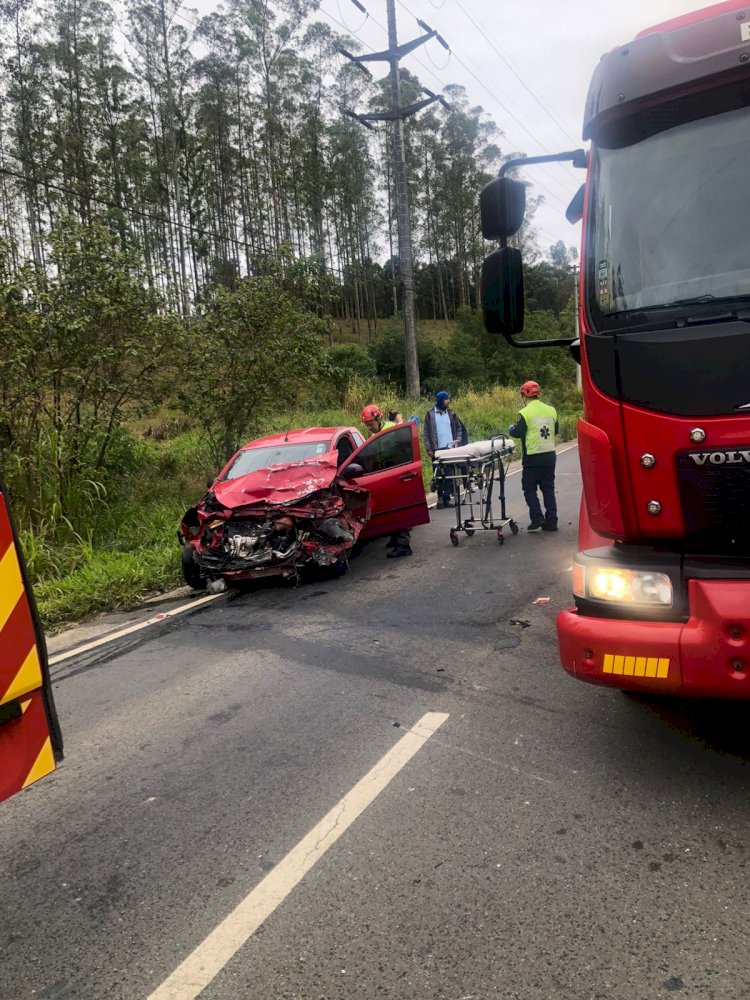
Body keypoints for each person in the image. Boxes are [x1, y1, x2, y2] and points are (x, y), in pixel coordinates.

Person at [359, 404, 412, 558]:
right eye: (367, 425)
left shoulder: (391, 429)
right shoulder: (373, 437)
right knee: (390, 509)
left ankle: (403, 545)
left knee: (397, 510)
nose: (369, 427)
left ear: (378, 418)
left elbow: (405, 448)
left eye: (370, 424)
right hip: (386, 477)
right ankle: (396, 539)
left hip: (397, 473)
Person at [508, 380, 559, 531]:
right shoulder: (551, 410)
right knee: (548, 489)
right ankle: (552, 522)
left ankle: (537, 518)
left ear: (524, 395)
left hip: (533, 457)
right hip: (549, 455)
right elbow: (555, 430)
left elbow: (516, 432)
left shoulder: (525, 413)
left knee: (529, 488)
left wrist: (511, 428)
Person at [423, 390, 468, 508]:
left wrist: (457, 441)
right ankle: (440, 498)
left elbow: (459, 428)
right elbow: (426, 433)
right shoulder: (430, 414)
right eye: (446, 399)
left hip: (450, 448)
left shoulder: (451, 413)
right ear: (441, 400)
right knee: (438, 475)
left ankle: (447, 498)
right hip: (436, 450)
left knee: (449, 474)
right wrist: (428, 448)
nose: (448, 401)